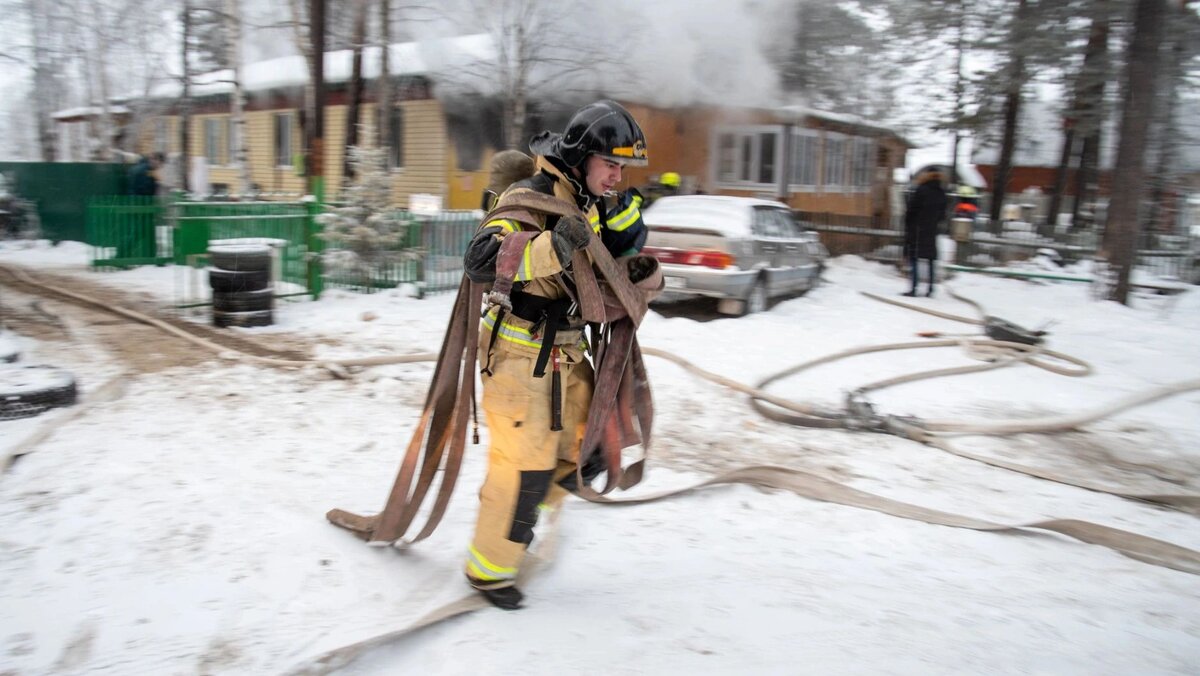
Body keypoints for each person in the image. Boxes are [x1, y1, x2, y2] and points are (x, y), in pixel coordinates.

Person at [461, 100, 650, 610]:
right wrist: (553, 247)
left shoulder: (587, 200)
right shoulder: (533, 197)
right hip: (519, 360)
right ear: (584, 156)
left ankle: (523, 520)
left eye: (622, 167)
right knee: (524, 469)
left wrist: (632, 273)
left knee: (582, 455)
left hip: (566, 354)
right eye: (610, 163)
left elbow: (601, 265)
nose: (617, 175)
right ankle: (489, 570)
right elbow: (479, 260)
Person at [903, 168, 948, 297]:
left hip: (917, 228)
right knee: (930, 258)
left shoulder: (921, 190)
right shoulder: (941, 192)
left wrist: (909, 223)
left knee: (915, 257)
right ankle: (930, 289)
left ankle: (914, 288)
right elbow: (942, 214)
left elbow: (912, 210)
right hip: (932, 229)